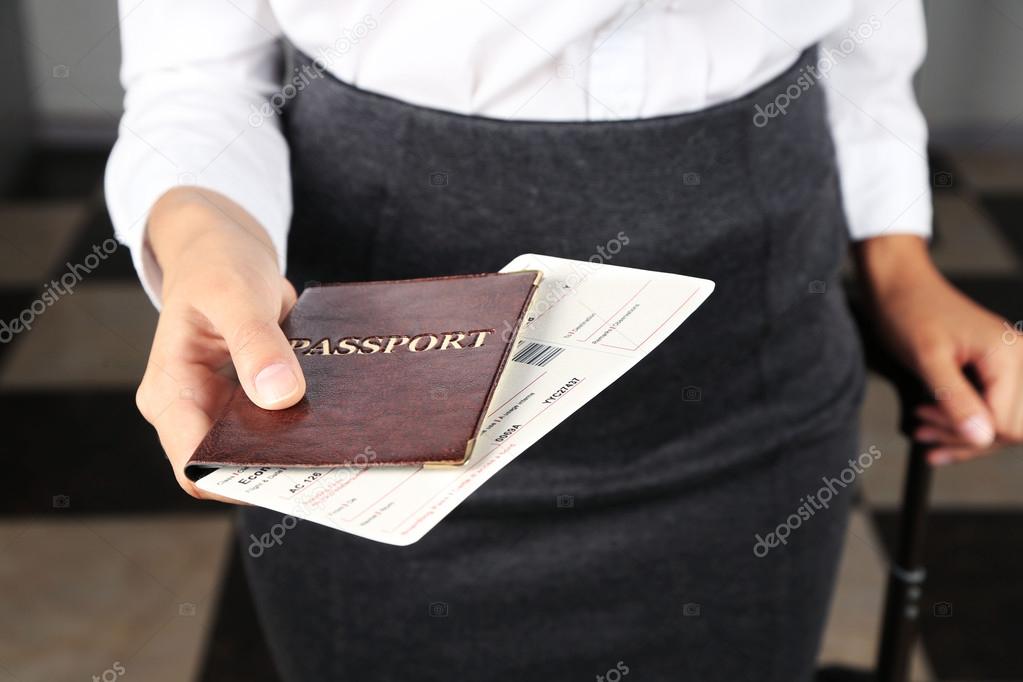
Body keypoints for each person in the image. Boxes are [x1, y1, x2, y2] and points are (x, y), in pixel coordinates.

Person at [106, 1, 1023, 680]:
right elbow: (200, 75)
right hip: (384, 351)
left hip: (744, 343)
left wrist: (902, 270)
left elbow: (864, 44)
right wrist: (200, 243)